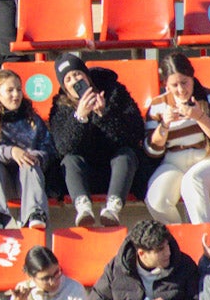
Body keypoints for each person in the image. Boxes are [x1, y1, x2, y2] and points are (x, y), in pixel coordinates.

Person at [48, 53, 144, 228]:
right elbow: (63, 147)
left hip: (117, 173)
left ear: (87, 75)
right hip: (86, 173)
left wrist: (104, 115)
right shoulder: (61, 106)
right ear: (64, 87)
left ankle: (113, 209)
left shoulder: (114, 92)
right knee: (70, 161)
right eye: (68, 79)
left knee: (126, 155)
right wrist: (80, 117)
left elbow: (135, 134)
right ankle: (83, 208)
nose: (74, 81)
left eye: (77, 74)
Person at [143, 51, 210, 225]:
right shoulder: (159, 105)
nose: (181, 90)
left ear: (192, 78)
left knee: (192, 181)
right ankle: (179, 241)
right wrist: (164, 125)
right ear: (166, 85)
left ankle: (203, 241)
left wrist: (199, 117)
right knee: (156, 198)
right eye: (174, 85)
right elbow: (152, 149)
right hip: (174, 161)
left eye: (184, 82)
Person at [0, 68, 56, 229]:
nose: (16, 95)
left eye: (18, 89)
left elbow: (49, 147)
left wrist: (34, 155)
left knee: (28, 163)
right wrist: (12, 151)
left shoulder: (32, 118)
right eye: (10, 90)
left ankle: (35, 212)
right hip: (2, 181)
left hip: (28, 178)